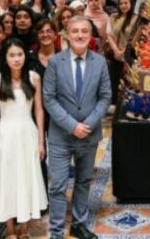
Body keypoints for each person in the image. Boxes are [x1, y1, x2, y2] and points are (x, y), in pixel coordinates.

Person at [43, 16, 112, 239]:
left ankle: (79, 225)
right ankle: (56, 231)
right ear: (67, 34)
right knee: (57, 186)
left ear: (91, 35)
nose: (80, 35)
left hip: (89, 135)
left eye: (84, 31)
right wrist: (72, 126)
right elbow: (49, 98)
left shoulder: (100, 62)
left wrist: (88, 124)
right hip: (61, 136)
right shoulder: (55, 62)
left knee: (83, 181)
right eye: (75, 31)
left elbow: (105, 97)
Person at [0, 40, 48, 237]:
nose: (16, 59)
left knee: (27, 178)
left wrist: (41, 141)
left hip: (27, 133)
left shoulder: (34, 78)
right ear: (5, 58)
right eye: (12, 55)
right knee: (7, 179)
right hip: (5, 134)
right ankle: (10, 229)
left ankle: (24, 229)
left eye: (19, 54)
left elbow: (39, 111)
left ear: (25, 56)